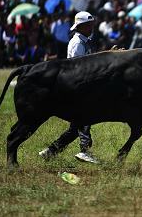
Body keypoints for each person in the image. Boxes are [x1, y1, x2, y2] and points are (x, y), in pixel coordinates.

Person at [38, 11, 99, 164]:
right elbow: (79, 67)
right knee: (85, 117)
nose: (92, 27)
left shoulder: (85, 40)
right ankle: (85, 151)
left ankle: (50, 152)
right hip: (78, 86)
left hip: (81, 85)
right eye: (89, 25)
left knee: (74, 129)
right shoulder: (78, 43)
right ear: (82, 26)